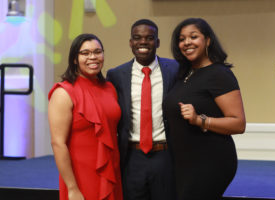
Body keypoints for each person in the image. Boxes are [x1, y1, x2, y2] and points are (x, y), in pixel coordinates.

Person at [163, 18, 246, 200]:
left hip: (210, 162)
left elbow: (238, 124)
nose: (187, 43)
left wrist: (199, 120)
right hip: (184, 162)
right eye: (182, 39)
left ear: (207, 40)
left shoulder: (219, 74)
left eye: (194, 37)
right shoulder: (184, 74)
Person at [106, 19, 179, 200]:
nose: (143, 42)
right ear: (131, 43)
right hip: (131, 156)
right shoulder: (116, 75)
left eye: (150, 38)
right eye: (137, 38)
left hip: (165, 154)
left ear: (158, 42)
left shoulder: (175, 69)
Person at [48, 33, 123, 200]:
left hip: (111, 170)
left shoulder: (110, 88)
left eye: (97, 52)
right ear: (75, 59)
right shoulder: (63, 92)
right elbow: (58, 143)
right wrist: (72, 188)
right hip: (80, 176)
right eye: (85, 53)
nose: (93, 57)